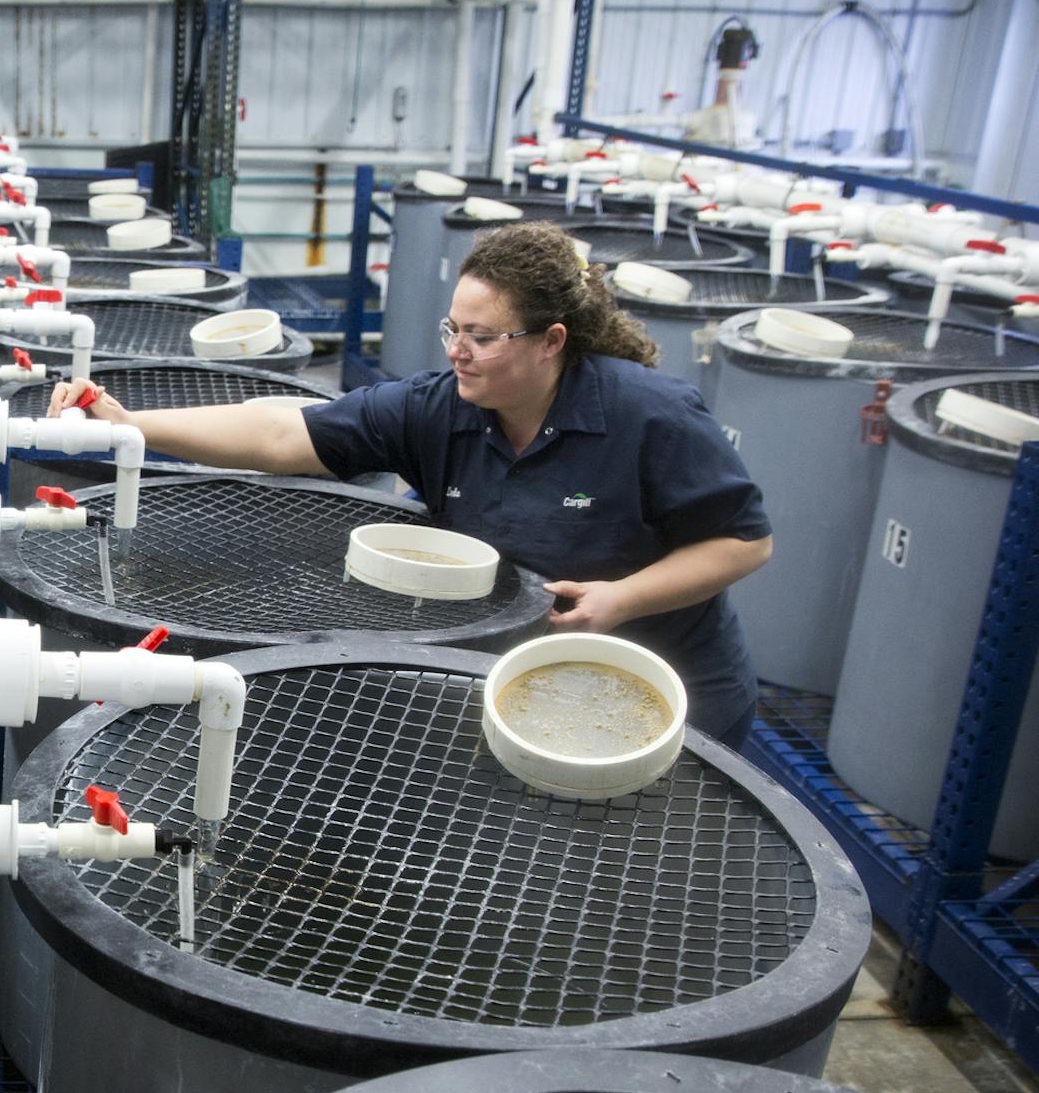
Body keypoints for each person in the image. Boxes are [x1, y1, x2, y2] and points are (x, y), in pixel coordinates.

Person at [48, 220, 773, 746]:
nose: (458, 352)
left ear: (552, 341)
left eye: (482, 337)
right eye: (451, 329)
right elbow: (280, 433)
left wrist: (623, 598)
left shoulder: (648, 413)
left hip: (666, 688)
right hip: (521, 681)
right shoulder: (443, 408)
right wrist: (131, 424)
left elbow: (744, 543)